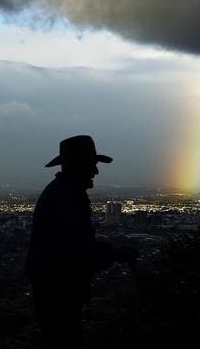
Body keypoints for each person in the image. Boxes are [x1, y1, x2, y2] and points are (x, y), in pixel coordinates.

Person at [24, 135, 138, 348]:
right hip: (58, 290)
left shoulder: (63, 192)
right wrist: (115, 254)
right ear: (77, 166)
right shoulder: (66, 197)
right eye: (91, 165)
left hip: (53, 287)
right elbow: (77, 249)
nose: (96, 171)